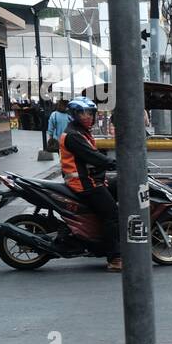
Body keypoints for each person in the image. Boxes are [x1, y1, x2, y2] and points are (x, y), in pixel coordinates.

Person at [60, 97, 121, 272]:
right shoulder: (73, 135)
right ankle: (115, 258)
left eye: (89, 113)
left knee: (120, 186)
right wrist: (116, 163)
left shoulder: (82, 132)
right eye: (81, 113)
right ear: (73, 115)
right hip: (84, 184)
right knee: (112, 215)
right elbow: (94, 158)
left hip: (91, 180)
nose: (86, 116)